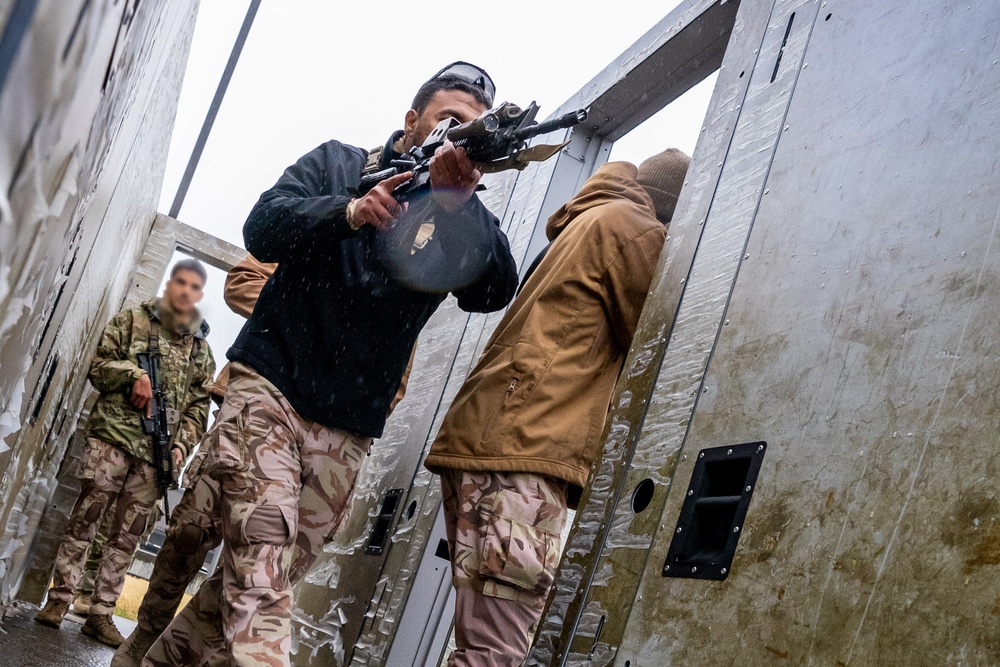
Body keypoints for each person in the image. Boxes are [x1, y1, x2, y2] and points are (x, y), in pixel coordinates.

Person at [142, 62, 518, 666]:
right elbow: (263, 226)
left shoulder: (461, 210)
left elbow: (492, 290)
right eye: (448, 118)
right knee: (259, 541)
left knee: (267, 573)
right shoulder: (339, 164)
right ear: (411, 119)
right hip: (271, 385)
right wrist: (349, 211)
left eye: (471, 130)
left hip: (348, 424)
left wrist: (455, 203)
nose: (456, 134)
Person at [424, 148, 691, 666]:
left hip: (492, 440)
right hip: (524, 450)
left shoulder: (587, 220)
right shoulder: (635, 228)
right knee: (496, 653)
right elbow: (655, 340)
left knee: (482, 642)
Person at [113, 253, 413, 666]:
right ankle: (147, 632)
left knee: (258, 566)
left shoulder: (402, 281)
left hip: (321, 436)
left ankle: (181, 655)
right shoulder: (324, 234)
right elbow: (240, 280)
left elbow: (393, 382)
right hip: (254, 412)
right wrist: (306, 321)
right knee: (190, 530)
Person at [34, 258, 216, 648]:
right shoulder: (132, 321)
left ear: (199, 295)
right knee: (86, 520)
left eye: (193, 287)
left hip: (155, 457)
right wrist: (134, 375)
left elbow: (199, 408)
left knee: (126, 539)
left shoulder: (201, 351)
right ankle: (59, 601)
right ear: (170, 285)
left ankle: (100, 614)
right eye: (180, 283)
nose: (185, 291)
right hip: (112, 440)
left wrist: (182, 445)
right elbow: (99, 367)